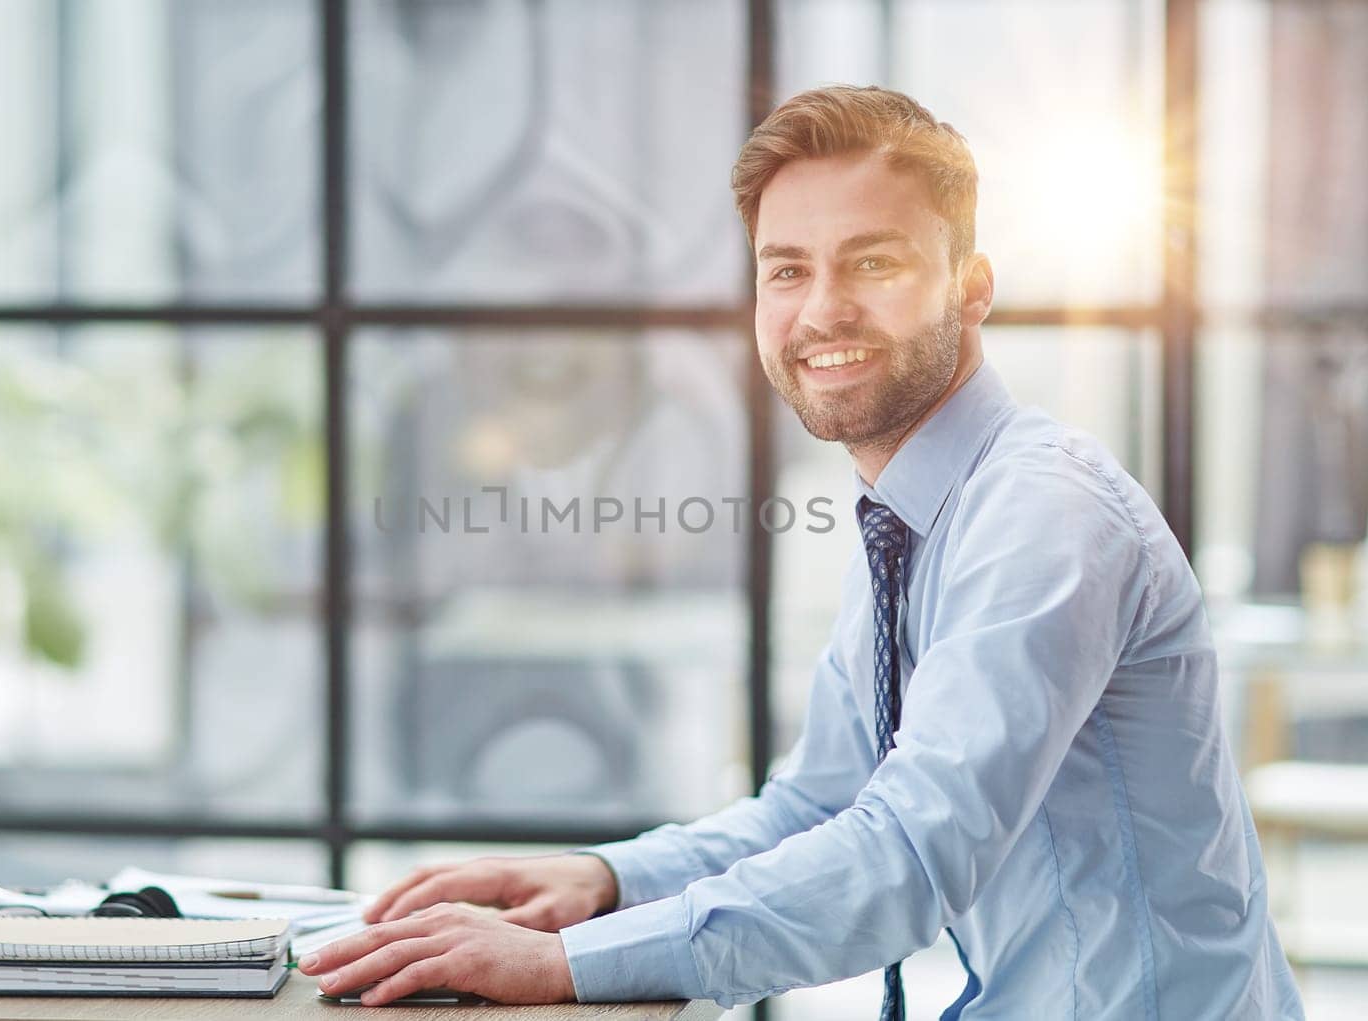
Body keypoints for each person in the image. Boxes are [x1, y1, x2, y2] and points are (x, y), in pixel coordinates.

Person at [298, 85, 1305, 1018]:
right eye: (787, 269)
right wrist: (605, 880)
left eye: (873, 262)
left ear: (971, 287)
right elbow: (824, 801)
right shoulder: (911, 515)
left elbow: (909, 856)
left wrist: (561, 964)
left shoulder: (1041, 515)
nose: (822, 310)